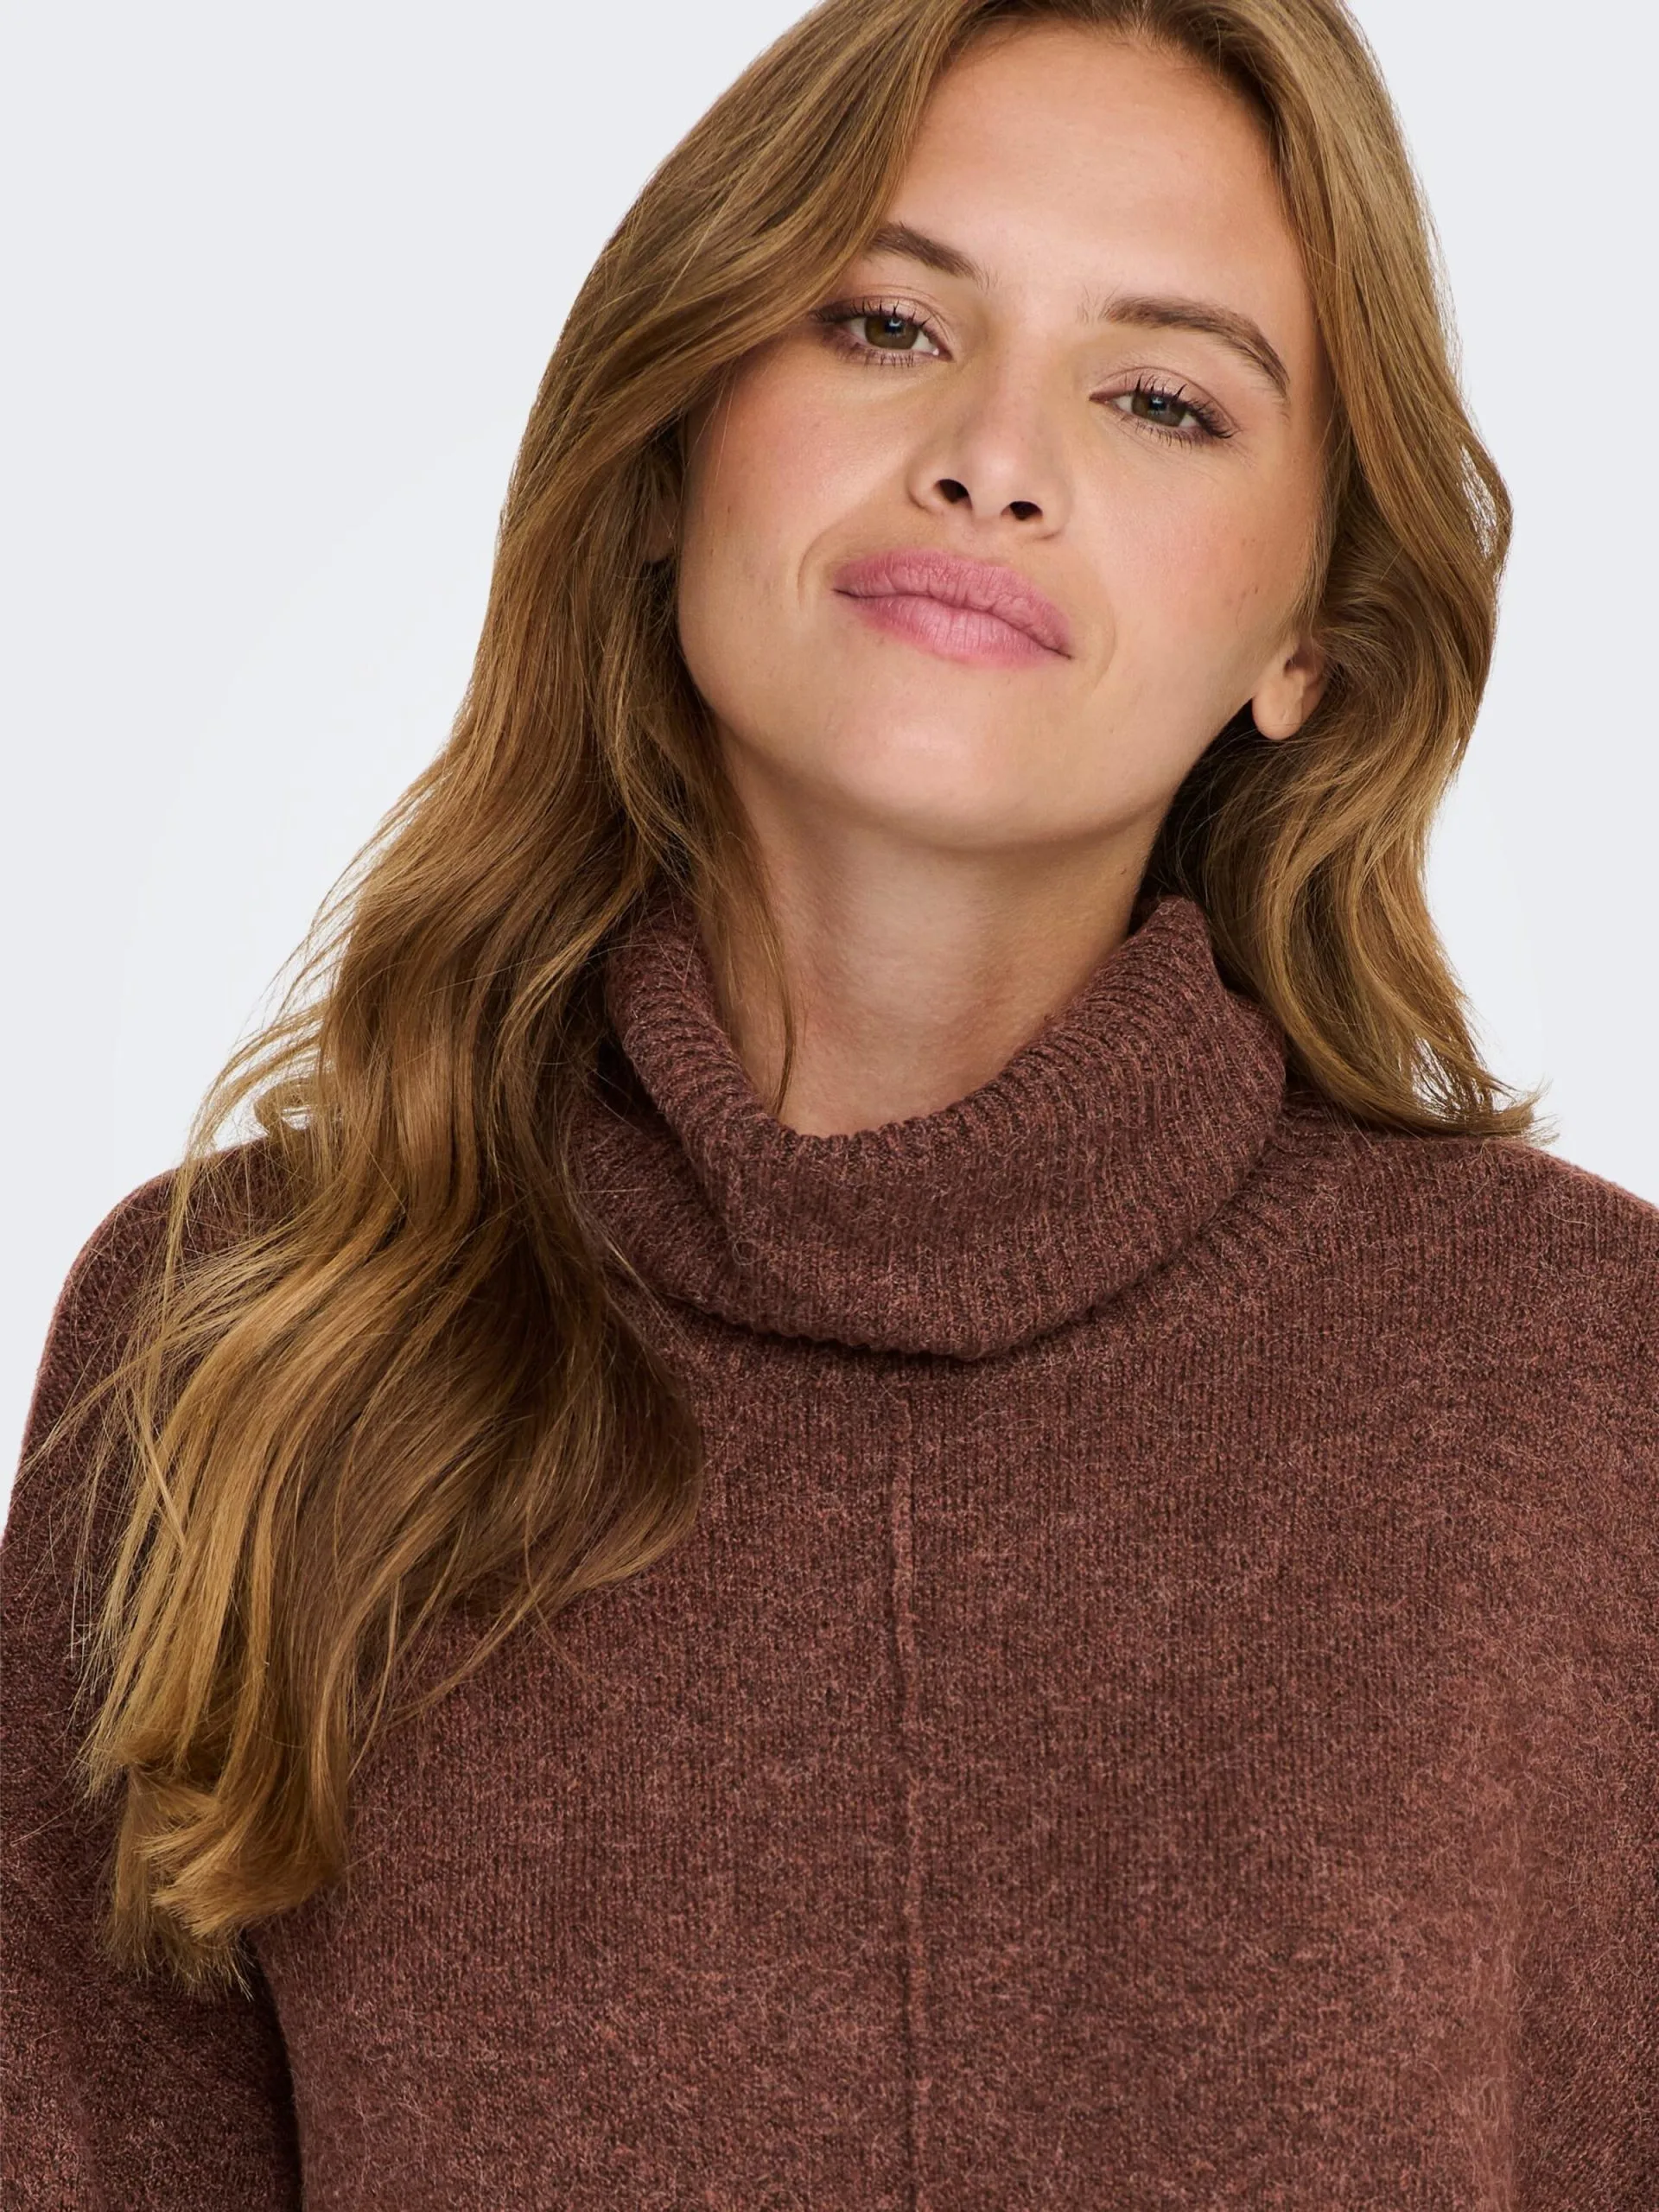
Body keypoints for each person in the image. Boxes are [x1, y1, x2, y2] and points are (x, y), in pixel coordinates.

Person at [4, 0, 1654, 2202]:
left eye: (1164, 397)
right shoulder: (237, 1342)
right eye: (887, 322)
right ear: (675, 443)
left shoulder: (1577, 1384)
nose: (996, 456)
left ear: (1309, 640)